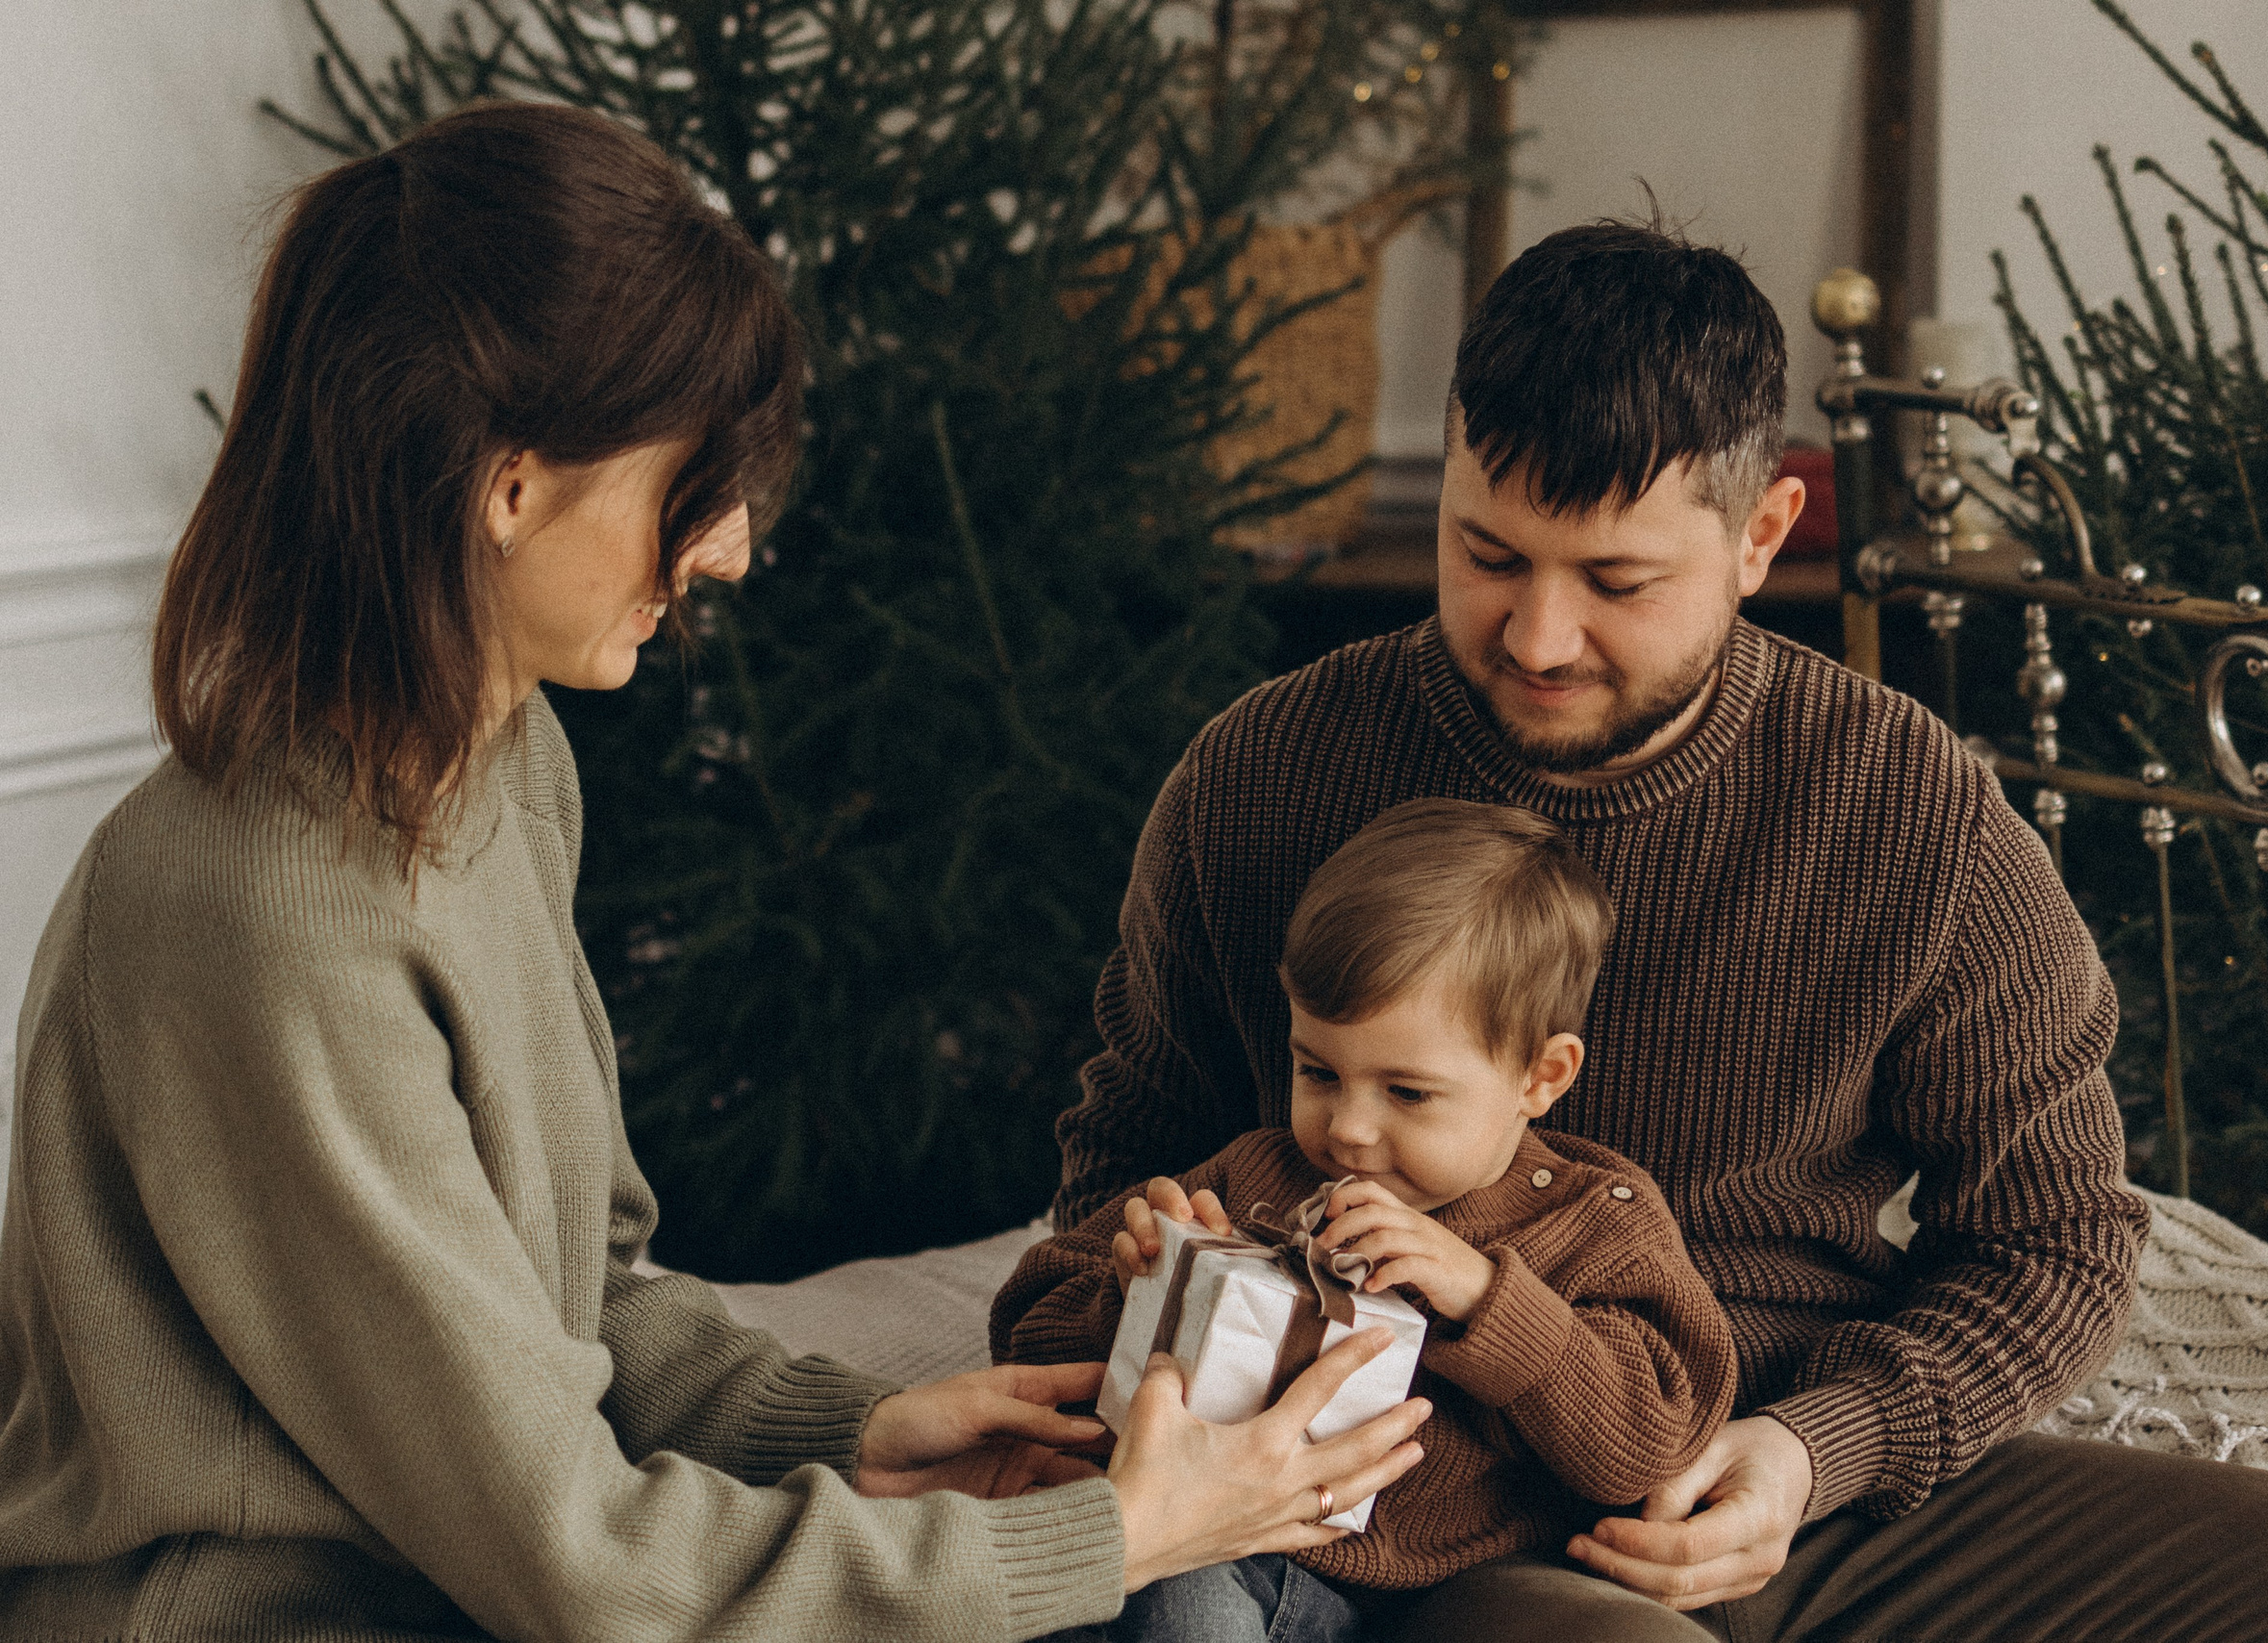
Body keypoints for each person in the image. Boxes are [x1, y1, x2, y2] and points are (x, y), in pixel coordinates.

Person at [0, 101, 1433, 1642]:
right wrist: (1112, 1538)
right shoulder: (274, 920)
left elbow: (582, 1292)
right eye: (697, 483)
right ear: (511, 484)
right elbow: (577, 1561)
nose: (735, 548)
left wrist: (856, 1429)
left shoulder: (501, 762)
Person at [1048, 221, 2268, 1640]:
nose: (1539, 637)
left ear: (1760, 535)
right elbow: (1122, 1162)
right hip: (1440, 1516)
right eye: (1488, 554)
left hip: (1796, 1478)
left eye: (1617, 583)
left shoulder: (1909, 807)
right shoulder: (1263, 777)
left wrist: (1813, 1451)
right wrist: (1153, 1259)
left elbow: (2058, 1239)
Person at [992, 797, 1738, 1641]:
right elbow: (1023, 1343)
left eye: (1406, 1092)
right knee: (1160, 1599)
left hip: (1458, 1591)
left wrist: (1486, 1295)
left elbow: (1648, 1447)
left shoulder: (1598, 1220)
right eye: (1318, 1071)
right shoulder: (1254, 1175)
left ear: (1542, 1075)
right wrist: (1136, 1299)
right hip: (1222, 1547)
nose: (1347, 1128)